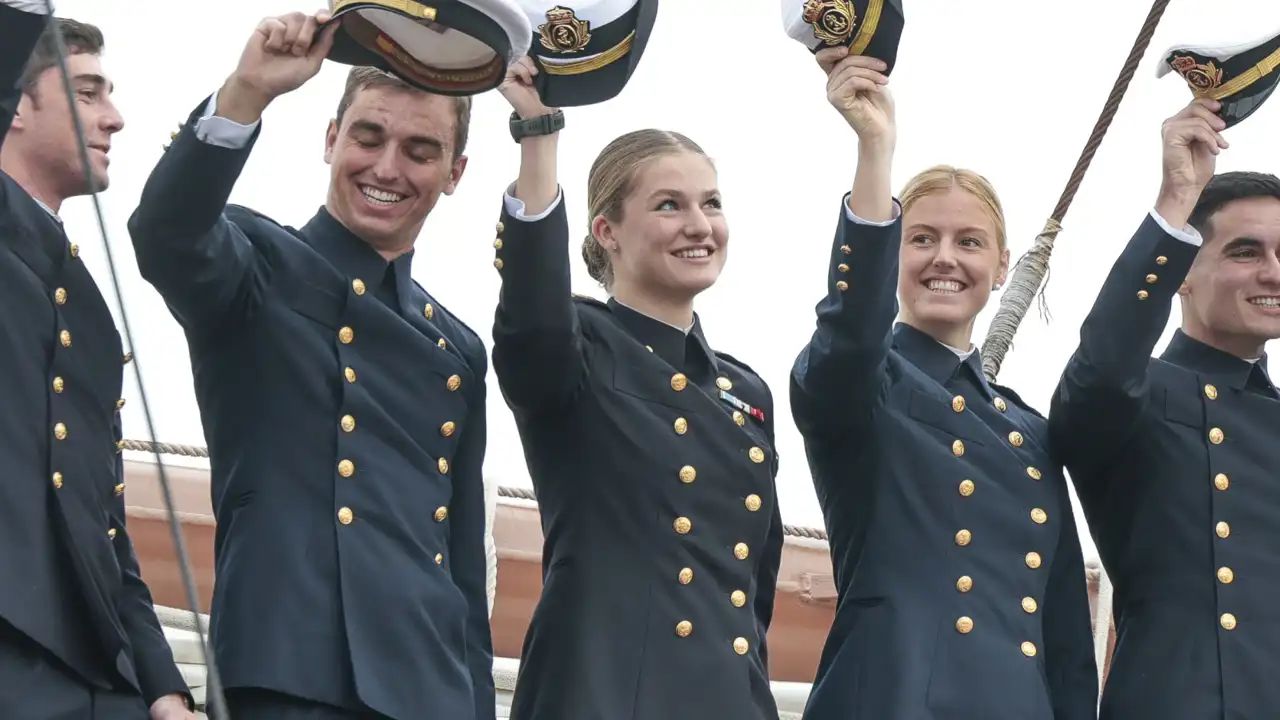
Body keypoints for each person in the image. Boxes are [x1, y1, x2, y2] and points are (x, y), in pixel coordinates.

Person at [126, 10, 494, 720]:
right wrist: (248, 91)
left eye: (421, 150)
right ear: (330, 140)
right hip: (289, 667)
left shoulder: (456, 346)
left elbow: (459, 564)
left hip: (427, 688)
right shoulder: (256, 264)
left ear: (455, 173)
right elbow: (167, 231)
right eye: (368, 136)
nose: (387, 167)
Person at [789, 46, 1098, 719]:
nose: (945, 259)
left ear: (1003, 262)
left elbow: (1066, 637)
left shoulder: (1030, 432)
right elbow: (850, 335)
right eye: (921, 238)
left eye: (969, 242)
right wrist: (875, 152)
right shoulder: (862, 385)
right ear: (891, 255)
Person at [490, 56, 784, 720]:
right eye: (669, 205)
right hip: (600, 696)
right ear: (607, 232)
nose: (699, 225)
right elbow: (532, 311)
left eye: (711, 203)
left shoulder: (746, 391)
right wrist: (539, 131)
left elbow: (749, 598)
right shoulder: (576, 347)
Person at [1049, 97, 1280, 719]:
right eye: (1245, 252)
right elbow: (1098, 377)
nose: (1273, 272)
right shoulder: (1138, 394)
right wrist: (1176, 203)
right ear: (1181, 271)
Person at [0, 2, 194, 718]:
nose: (114, 117)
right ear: (13, 106)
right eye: (87, 92)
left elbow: (103, 522)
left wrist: (165, 686)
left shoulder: (87, 308)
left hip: (97, 675)